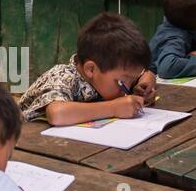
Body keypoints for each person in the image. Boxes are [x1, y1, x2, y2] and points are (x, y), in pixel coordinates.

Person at [19, 13, 154, 124]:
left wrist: (144, 86)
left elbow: (146, 74)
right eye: (123, 82)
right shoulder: (62, 77)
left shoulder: (111, 73)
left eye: (132, 80)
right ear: (91, 70)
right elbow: (57, 114)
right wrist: (114, 108)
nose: (127, 87)